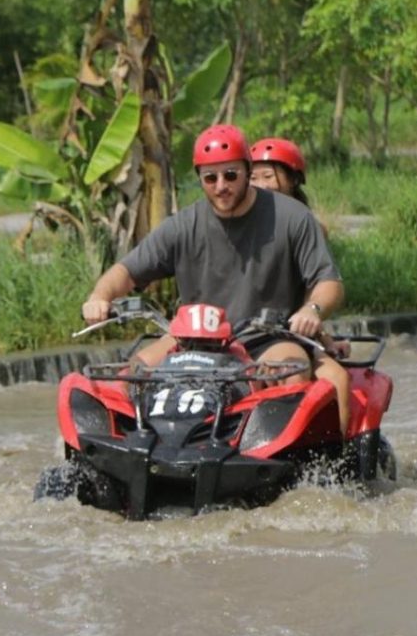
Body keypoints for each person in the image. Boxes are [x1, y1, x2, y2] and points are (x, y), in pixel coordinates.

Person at [81, 124, 346, 423]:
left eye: (230, 175)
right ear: (201, 179)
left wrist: (312, 310)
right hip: (192, 340)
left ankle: (295, 465)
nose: (221, 185)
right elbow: (125, 271)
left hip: (267, 338)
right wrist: (100, 296)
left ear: (247, 170)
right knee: (132, 376)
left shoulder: (293, 217)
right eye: (211, 178)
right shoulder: (182, 225)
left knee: (291, 372)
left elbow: (329, 283)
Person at [250, 137, 352, 437]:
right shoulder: (242, 224)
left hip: (291, 331)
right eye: (253, 177)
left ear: (293, 180)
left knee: (338, 381)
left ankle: (337, 462)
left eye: (268, 176)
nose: (261, 184)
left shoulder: (308, 228)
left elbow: (314, 291)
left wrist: (323, 336)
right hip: (246, 329)